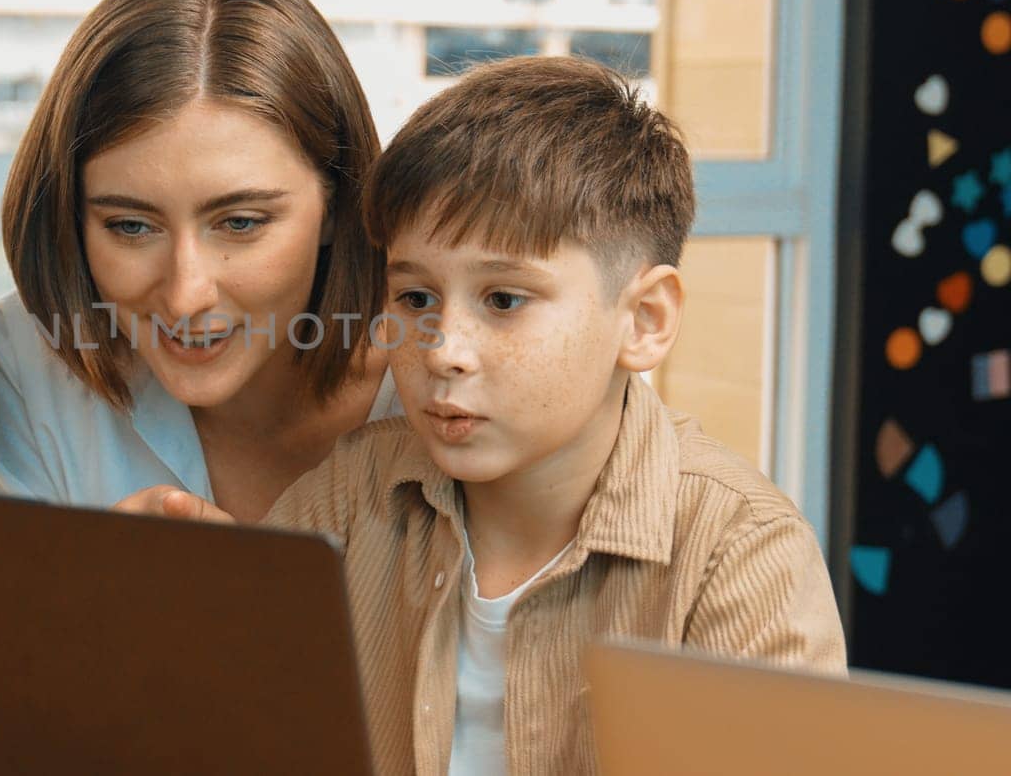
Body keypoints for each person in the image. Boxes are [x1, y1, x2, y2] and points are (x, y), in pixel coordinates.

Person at [122, 56, 846, 775]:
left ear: (645, 320)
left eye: (503, 300)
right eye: (415, 299)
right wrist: (195, 595)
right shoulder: (351, 494)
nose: (444, 351)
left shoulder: (742, 554)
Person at [0, 0, 399, 522]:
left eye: (241, 223)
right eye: (131, 227)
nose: (184, 296)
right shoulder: (26, 360)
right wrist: (89, 586)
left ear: (339, 206)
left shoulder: (446, 369)